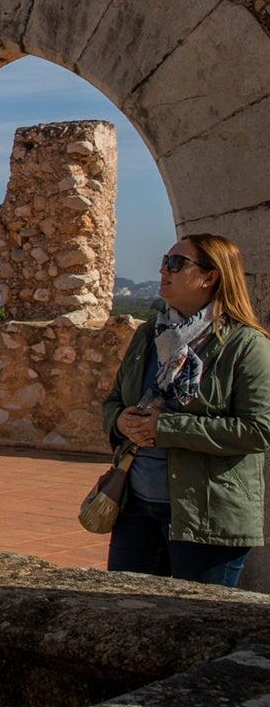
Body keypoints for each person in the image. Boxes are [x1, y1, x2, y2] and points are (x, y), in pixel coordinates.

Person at [102, 233, 270, 586]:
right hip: (136, 507)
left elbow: (259, 429)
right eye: (165, 261)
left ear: (210, 277)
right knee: (129, 619)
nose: (163, 269)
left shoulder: (245, 346)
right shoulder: (150, 335)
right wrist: (121, 420)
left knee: (199, 629)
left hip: (206, 517)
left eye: (177, 264)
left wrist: (167, 428)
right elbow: (114, 400)